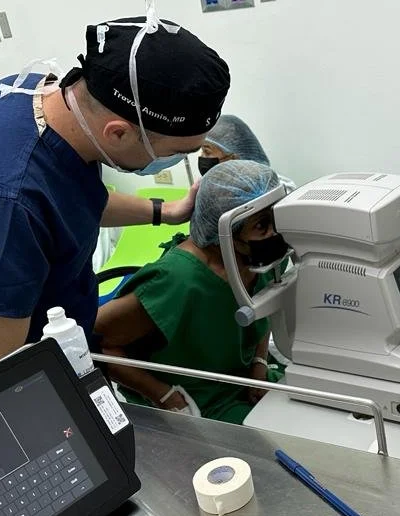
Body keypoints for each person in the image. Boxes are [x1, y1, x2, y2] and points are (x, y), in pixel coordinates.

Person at [0, 9, 231, 395]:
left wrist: (165, 211)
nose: (182, 161)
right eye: (179, 151)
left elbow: (67, 201)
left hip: (57, 348)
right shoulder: (2, 206)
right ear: (118, 133)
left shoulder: (34, 95)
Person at [95, 160, 286, 425]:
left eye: (277, 219)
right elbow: (96, 341)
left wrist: (259, 363)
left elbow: (263, 309)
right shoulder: (177, 280)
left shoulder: (262, 259)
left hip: (245, 383)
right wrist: (164, 396)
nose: (274, 233)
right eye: (261, 225)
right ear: (224, 232)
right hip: (200, 403)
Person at [198, 114, 296, 190]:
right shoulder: (212, 189)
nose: (202, 156)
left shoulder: (275, 188)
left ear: (233, 158)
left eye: (207, 151)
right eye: (202, 150)